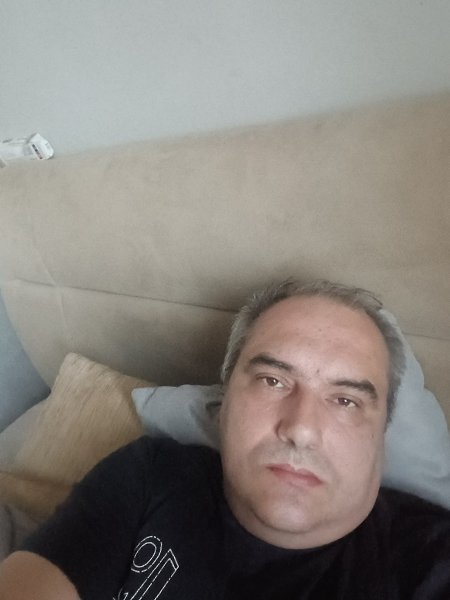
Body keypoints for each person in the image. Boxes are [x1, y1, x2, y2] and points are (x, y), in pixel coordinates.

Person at [0, 280, 449, 599]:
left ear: (381, 437)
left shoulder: (429, 559)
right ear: (224, 400)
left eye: (346, 400)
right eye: (273, 381)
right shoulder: (149, 474)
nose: (301, 428)